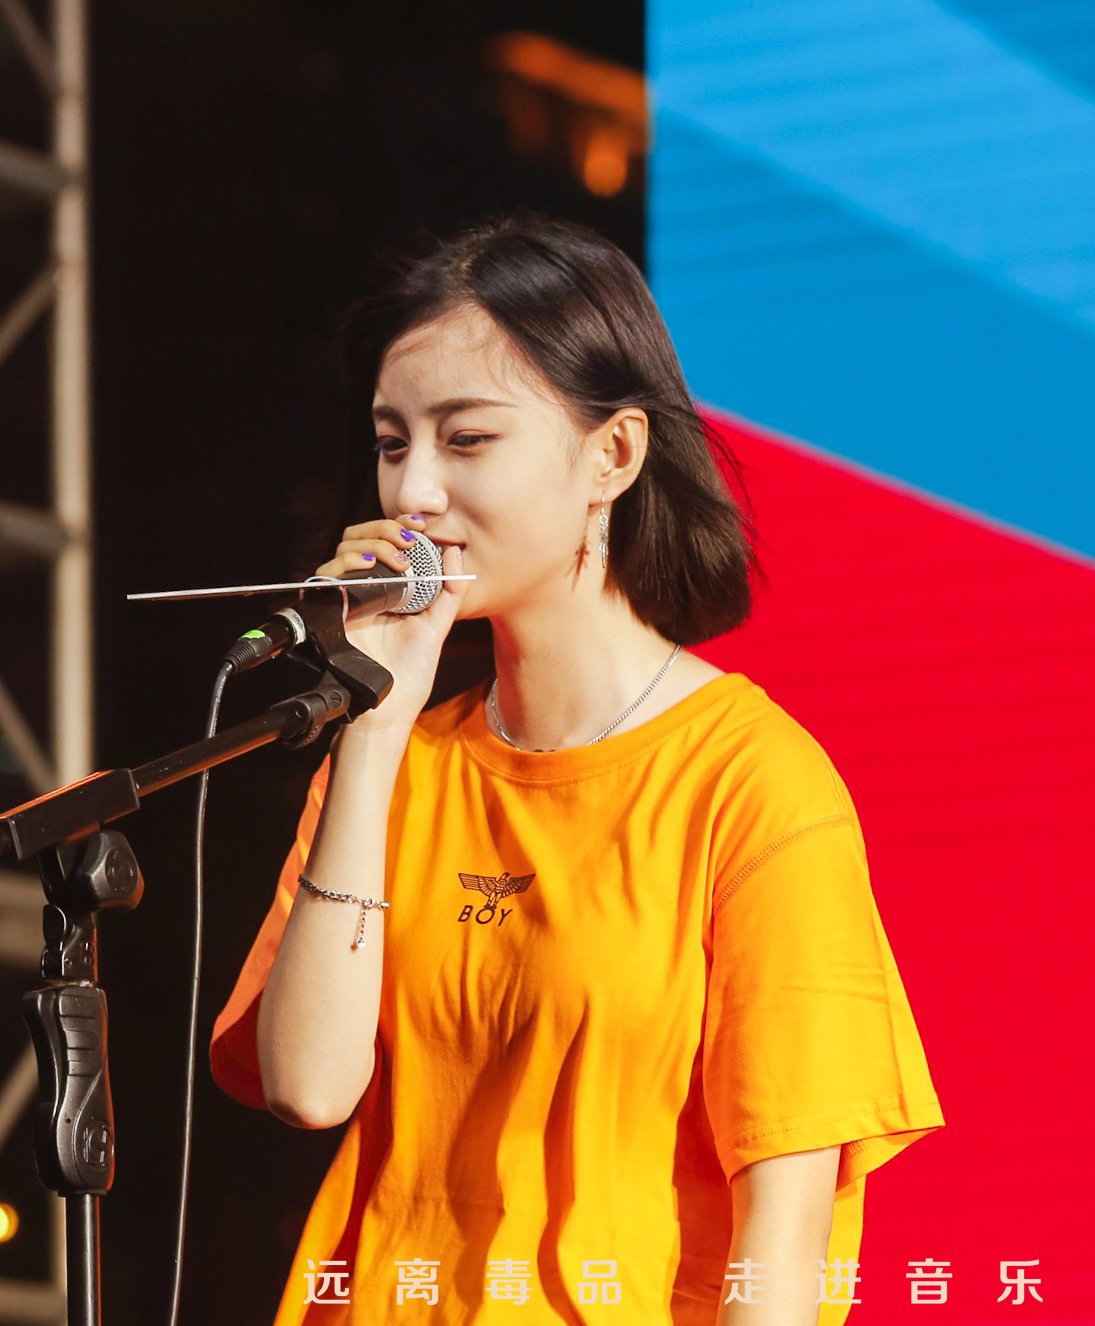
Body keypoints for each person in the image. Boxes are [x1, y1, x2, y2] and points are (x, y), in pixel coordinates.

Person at [208, 214, 944, 1326]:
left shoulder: (749, 779)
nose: (412, 493)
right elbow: (310, 1087)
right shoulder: (400, 765)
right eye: (393, 443)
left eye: (466, 440)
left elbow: (784, 1235)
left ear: (613, 456)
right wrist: (376, 719)